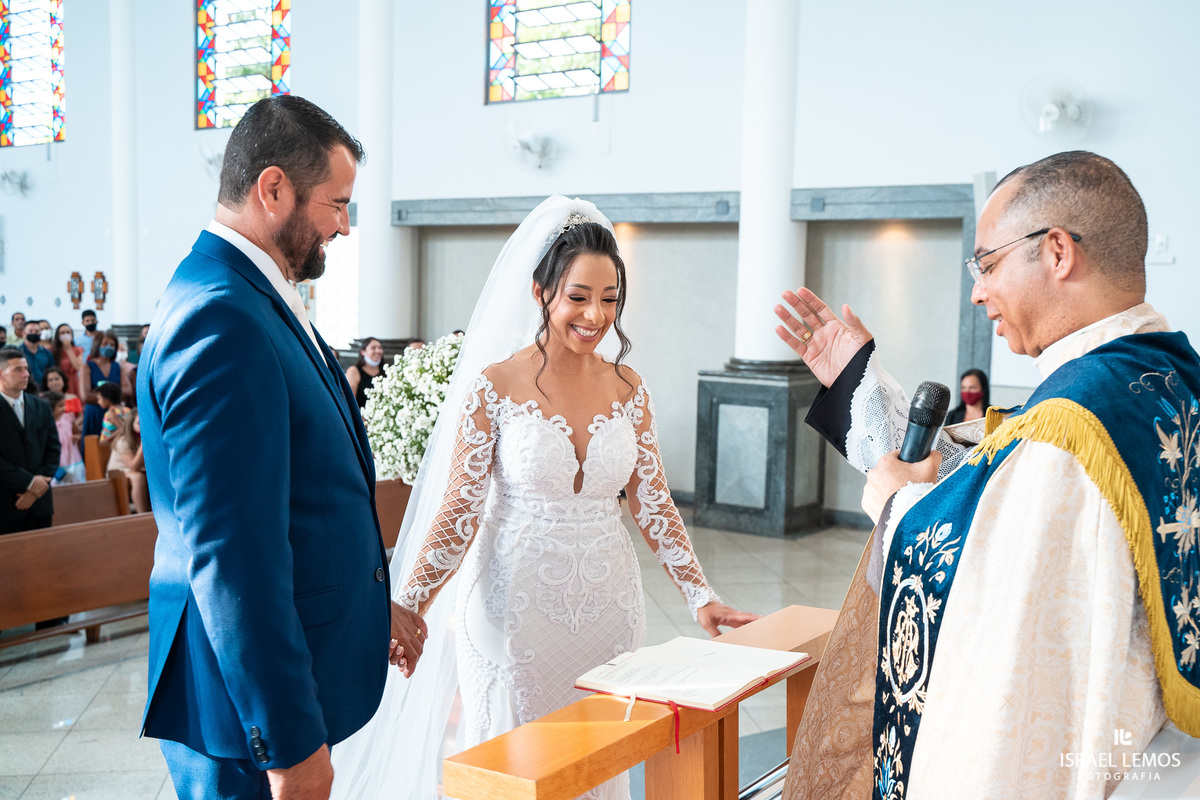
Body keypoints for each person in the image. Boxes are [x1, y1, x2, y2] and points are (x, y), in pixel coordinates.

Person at [774, 151, 1199, 798]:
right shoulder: (1163, 380)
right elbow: (988, 474)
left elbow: (991, 583)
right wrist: (863, 388)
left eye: (989, 264)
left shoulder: (1077, 424)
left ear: (1057, 251)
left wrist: (899, 511)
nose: (977, 290)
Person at [330, 197, 757, 800]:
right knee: (516, 761)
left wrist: (701, 596)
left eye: (609, 299)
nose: (596, 314)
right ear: (540, 292)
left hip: (609, 608)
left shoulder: (629, 387)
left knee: (598, 762)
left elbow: (653, 501)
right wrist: (409, 606)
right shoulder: (496, 385)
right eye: (578, 296)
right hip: (513, 607)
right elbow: (458, 511)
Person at [138, 94, 426, 800]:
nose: (345, 226)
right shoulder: (219, 321)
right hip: (244, 721)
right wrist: (289, 743)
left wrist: (367, 602)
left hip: (280, 670)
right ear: (274, 189)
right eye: (336, 203)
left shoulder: (251, 294)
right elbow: (235, 556)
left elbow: (302, 495)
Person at [81, 330, 130, 438]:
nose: (109, 347)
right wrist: (115, 394)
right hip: (94, 413)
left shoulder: (118, 366)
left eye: (112, 345)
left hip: (115, 414)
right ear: (97, 345)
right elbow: (86, 396)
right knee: (93, 449)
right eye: (105, 344)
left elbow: (128, 390)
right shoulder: (88, 367)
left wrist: (100, 395)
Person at [345, 336, 383, 410]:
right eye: (373, 348)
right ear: (363, 352)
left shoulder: (386, 372)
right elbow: (349, 402)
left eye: (380, 348)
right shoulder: (354, 371)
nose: (378, 351)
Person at [50, 323, 85, 396]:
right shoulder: (52, 350)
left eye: (68, 332)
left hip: (73, 381)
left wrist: (68, 349)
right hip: (58, 381)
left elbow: (78, 367)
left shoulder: (78, 350)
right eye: (62, 333)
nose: (65, 335)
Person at [19, 321, 53, 389]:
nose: (34, 333)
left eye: (37, 331)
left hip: (43, 391)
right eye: (30, 331)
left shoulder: (47, 353)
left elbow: (51, 373)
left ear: (40, 333)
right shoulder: (17, 352)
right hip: (22, 390)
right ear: (23, 333)